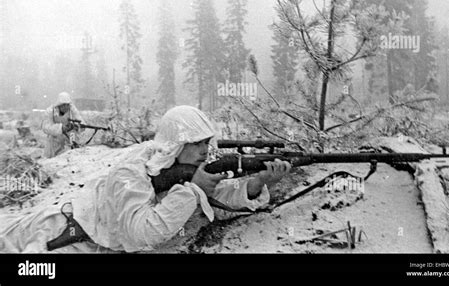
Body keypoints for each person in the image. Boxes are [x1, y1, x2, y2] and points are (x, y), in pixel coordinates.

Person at [0, 105, 291, 253]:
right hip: (58, 235)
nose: (205, 150)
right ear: (177, 144)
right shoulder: (131, 171)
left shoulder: (182, 168)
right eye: (197, 143)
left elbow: (217, 194)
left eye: (207, 142)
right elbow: (142, 233)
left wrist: (259, 183)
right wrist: (192, 191)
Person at [41, 92, 84, 158]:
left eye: (67, 105)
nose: (66, 107)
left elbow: (82, 123)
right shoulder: (50, 111)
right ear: (59, 104)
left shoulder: (72, 110)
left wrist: (77, 126)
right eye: (63, 105)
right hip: (54, 143)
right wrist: (60, 128)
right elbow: (45, 127)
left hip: (69, 141)